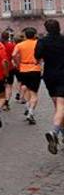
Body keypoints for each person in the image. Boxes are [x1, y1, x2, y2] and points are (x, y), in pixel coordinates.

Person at [35, 20, 64, 154]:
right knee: (61, 105)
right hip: (62, 75)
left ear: (46, 29)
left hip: (49, 75)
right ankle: (55, 132)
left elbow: (37, 57)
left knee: (58, 106)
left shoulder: (42, 41)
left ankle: (62, 134)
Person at [13, 27, 41, 125]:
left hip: (23, 68)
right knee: (34, 93)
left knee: (27, 88)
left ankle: (27, 105)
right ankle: (31, 112)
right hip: (35, 69)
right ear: (34, 35)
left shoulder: (20, 44)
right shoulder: (38, 43)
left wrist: (18, 64)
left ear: (25, 35)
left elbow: (13, 55)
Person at [1, 31, 16, 111]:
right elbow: (14, 56)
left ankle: (1, 100)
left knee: (2, 85)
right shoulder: (12, 45)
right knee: (9, 86)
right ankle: (6, 102)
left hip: (0, 68)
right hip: (10, 67)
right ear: (8, 37)